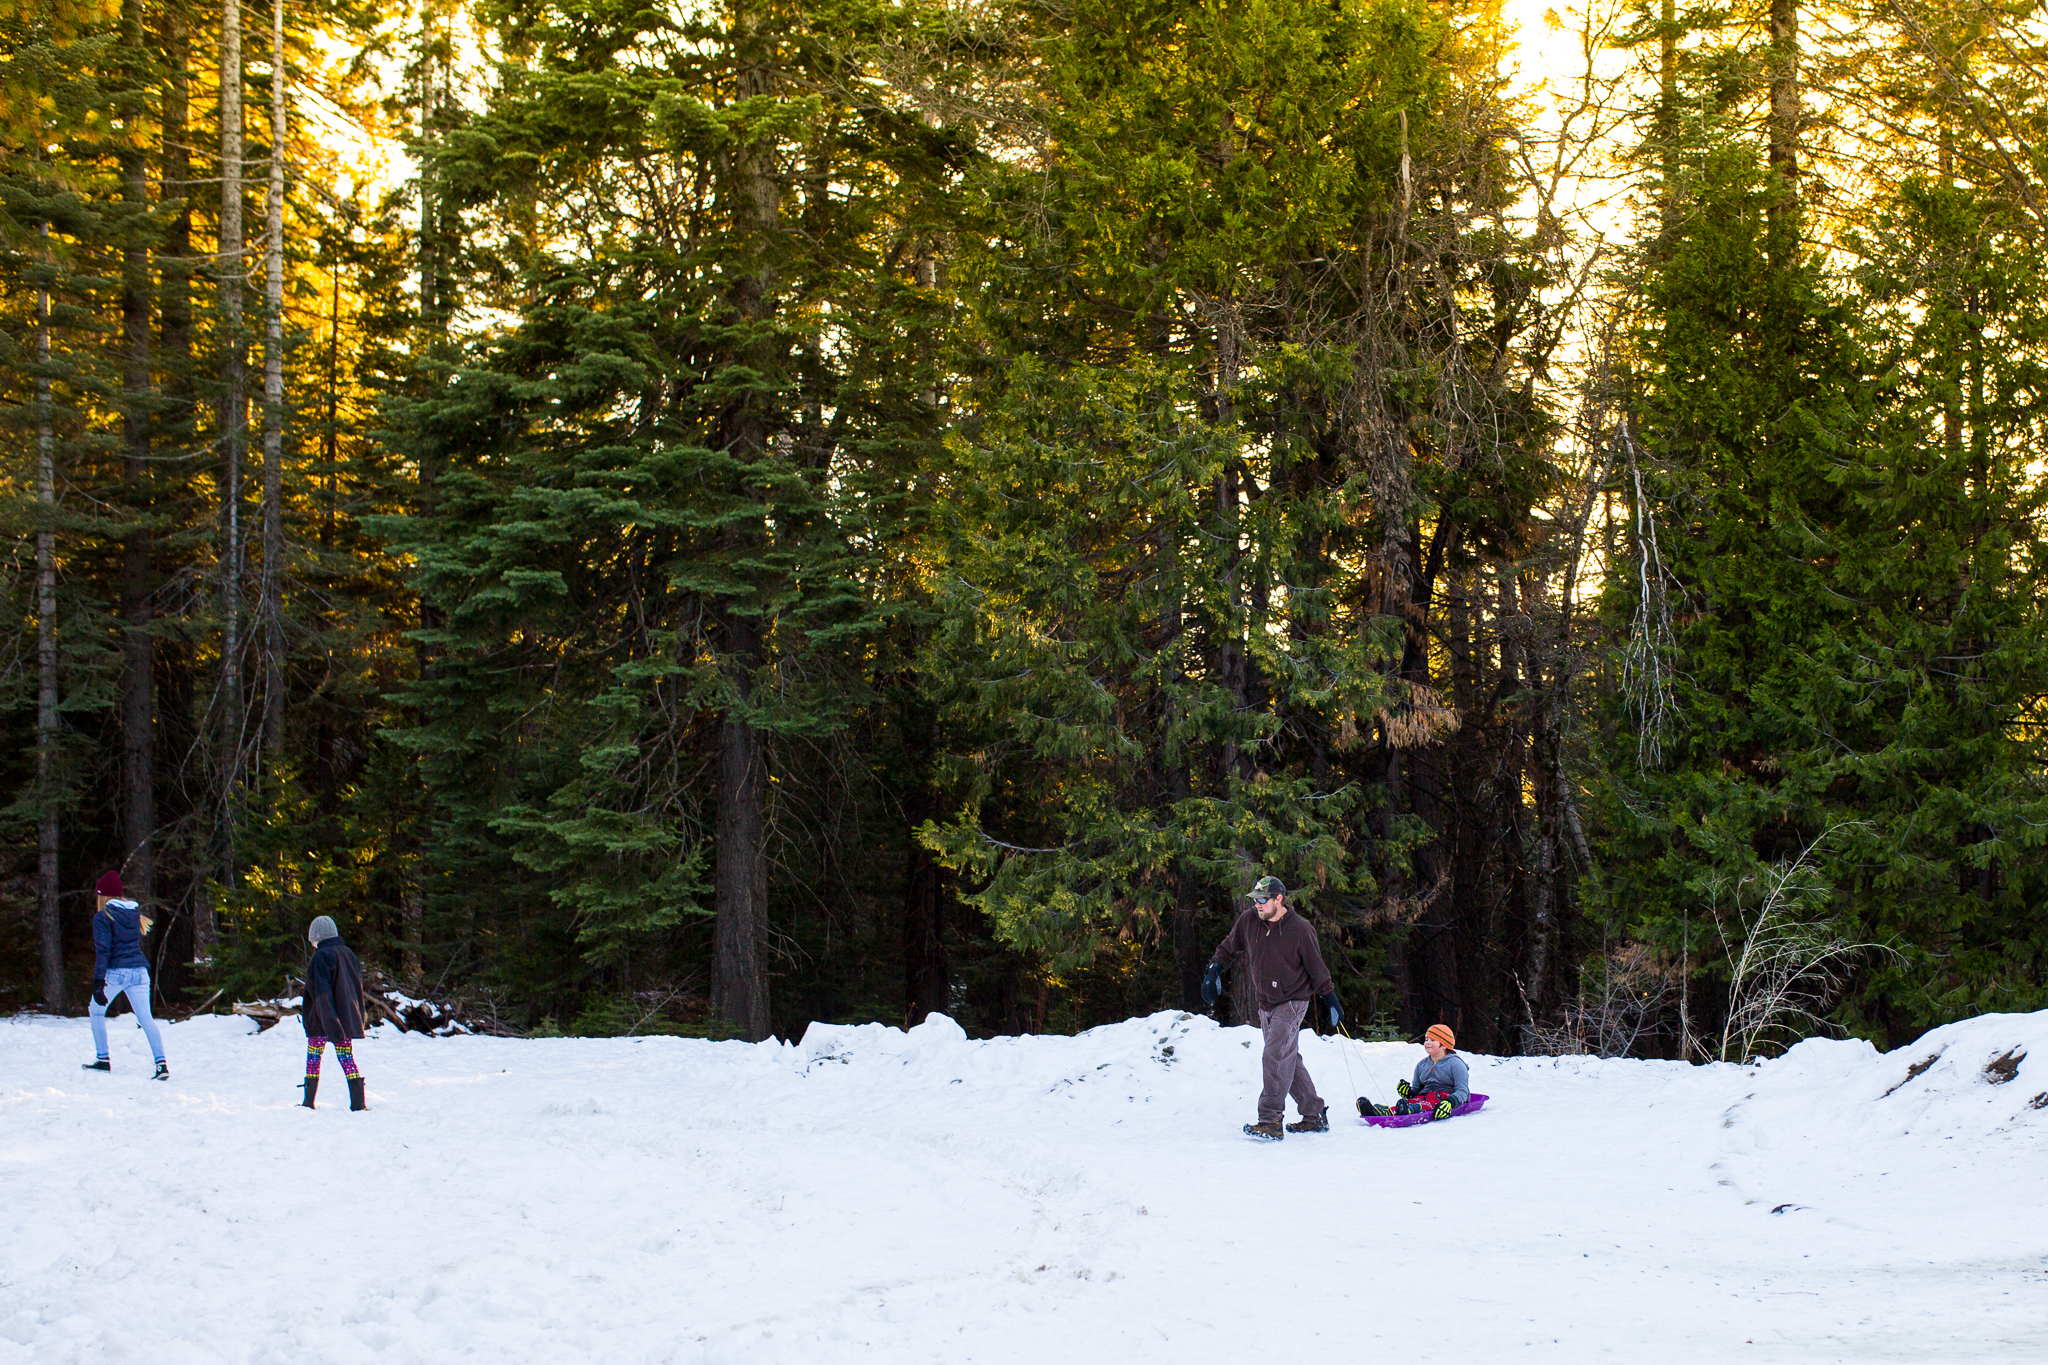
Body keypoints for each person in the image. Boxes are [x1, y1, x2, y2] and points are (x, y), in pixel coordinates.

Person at [1201, 875, 1344, 1141]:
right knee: (1287, 1058)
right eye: (1255, 900)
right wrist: (1214, 970)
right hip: (1265, 1002)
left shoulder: (1300, 929)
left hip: (1292, 1001)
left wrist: (1330, 998)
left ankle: (1269, 1120)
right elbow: (1228, 949)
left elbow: (1317, 968)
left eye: (1263, 900)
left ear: (1279, 899)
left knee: (1275, 1056)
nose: (1258, 905)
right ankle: (1314, 1114)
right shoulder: (1249, 921)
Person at [82, 870, 168, 1080]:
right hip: (139, 972)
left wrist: (98, 982)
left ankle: (103, 1060)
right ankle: (161, 1066)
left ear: (102, 896)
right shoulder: (134, 913)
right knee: (146, 1018)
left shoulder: (103, 917)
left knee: (95, 1011)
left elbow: (104, 950)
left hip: (117, 973)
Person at [301, 915, 368, 1112]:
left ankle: (308, 1101)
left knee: (314, 1057)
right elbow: (357, 987)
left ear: (318, 937)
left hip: (323, 1019)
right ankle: (358, 1102)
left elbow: (321, 992)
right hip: (345, 1018)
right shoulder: (348, 954)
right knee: (346, 1056)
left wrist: (329, 1021)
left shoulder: (321, 957)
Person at [1358, 1023, 1470, 1121]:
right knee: (1415, 1100)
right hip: (1424, 1098)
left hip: (1444, 1097)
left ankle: (1411, 1110)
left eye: (1432, 1040)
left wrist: (1450, 1102)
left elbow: (1463, 1091)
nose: (1427, 1043)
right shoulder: (1421, 1065)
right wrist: (1408, 1092)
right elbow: (1417, 1091)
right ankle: (1384, 1111)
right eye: (1426, 1039)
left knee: (1432, 1098)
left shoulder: (1456, 1064)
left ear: (1444, 1044)